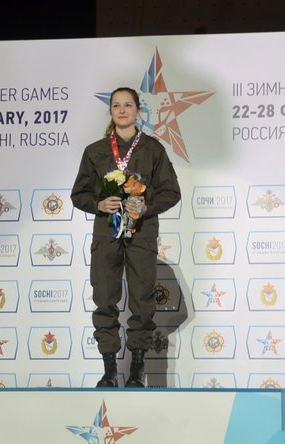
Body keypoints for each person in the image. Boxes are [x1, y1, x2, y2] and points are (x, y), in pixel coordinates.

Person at [71, 87, 181, 387]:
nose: (122, 110)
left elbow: (172, 192)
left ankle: (136, 371)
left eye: (128, 105)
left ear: (137, 110)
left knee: (142, 301)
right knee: (105, 299)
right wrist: (98, 204)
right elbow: (78, 194)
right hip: (107, 234)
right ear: (110, 111)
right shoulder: (95, 151)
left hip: (141, 236)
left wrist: (146, 207)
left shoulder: (153, 150)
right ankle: (109, 370)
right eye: (116, 105)